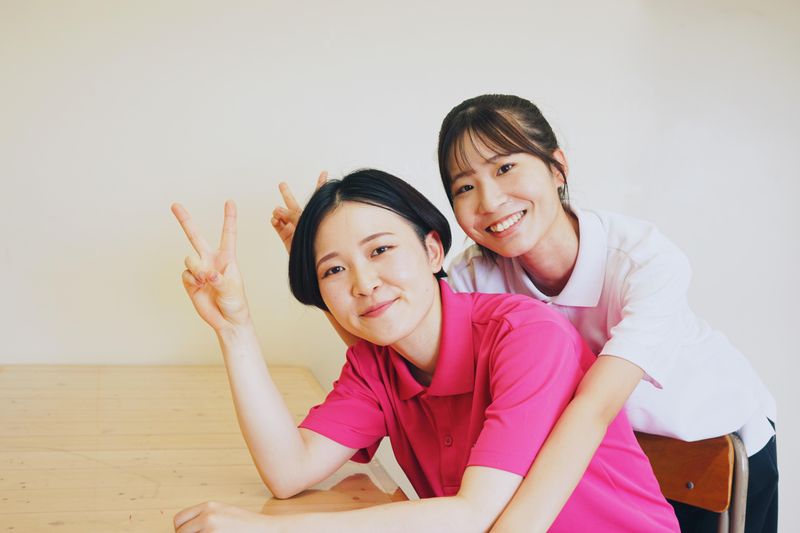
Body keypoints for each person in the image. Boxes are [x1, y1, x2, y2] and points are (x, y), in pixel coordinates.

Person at [272, 96, 778, 533]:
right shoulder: (472, 275)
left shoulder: (643, 260)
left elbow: (594, 407)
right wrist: (324, 272)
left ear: (558, 168)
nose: (490, 200)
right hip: (603, 458)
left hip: (711, 445)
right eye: (464, 187)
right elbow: (399, 344)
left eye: (505, 168)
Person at [172, 169, 679, 532]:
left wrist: (268, 530)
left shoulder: (528, 335)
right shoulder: (375, 365)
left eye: (380, 250)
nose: (364, 283)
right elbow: (289, 472)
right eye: (334, 269)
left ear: (433, 250)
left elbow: (475, 513)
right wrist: (235, 329)